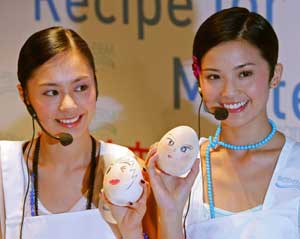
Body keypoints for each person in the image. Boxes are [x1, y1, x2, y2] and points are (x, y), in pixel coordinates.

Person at [147, 7, 300, 239]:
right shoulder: (183, 166)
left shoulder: (295, 166)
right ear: (199, 81)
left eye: (244, 74)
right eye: (214, 77)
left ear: (275, 75)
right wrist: (169, 211)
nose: (229, 92)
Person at [0, 26, 152, 239]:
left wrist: (132, 232)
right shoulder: (6, 170)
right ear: (24, 95)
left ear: (96, 83)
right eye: (51, 92)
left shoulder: (127, 169)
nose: (69, 105)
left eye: (81, 87)